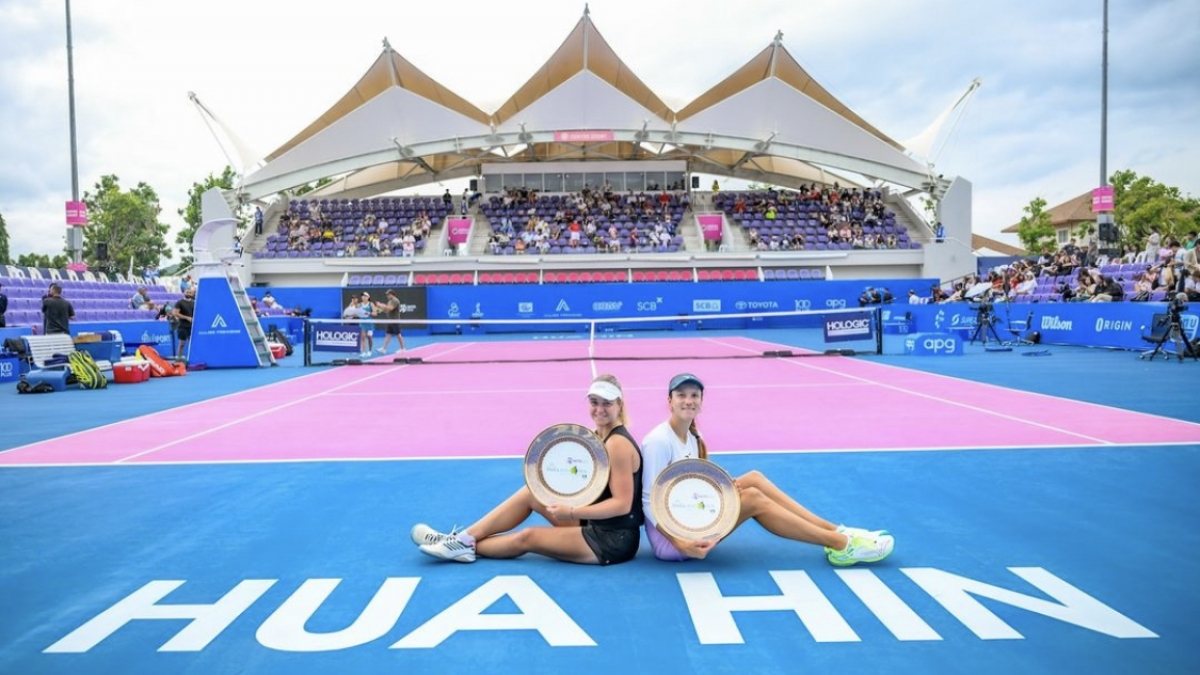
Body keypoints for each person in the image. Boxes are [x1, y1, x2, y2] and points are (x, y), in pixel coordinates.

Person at [640, 373, 894, 566]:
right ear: (669, 401)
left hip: (693, 518)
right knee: (753, 500)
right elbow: (648, 501)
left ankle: (835, 529)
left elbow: (692, 485)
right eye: (681, 395)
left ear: (701, 402)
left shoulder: (694, 437)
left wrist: (723, 487)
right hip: (674, 540)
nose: (688, 400)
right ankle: (842, 545)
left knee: (753, 478)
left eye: (694, 395)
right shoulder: (658, 441)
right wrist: (680, 543)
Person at [413, 374, 643, 565]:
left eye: (607, 403)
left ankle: (460, 544)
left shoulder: (617, 444)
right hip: (596, 524)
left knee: (528, 537)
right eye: (594, 402)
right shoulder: (596, 438)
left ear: (620, 405)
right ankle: (461, 540)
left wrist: (571, 512)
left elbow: (622, 504)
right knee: (532, 493)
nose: (599, 409)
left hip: (613, 540)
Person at [375, 289, 406, 355]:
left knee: (398, 335)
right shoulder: (390, 301)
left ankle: (403, 349)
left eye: (388, 294)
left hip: (395, 320)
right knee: (388, 334)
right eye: (386, 294)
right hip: (390, 320)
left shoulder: (395, 300)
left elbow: (390, 308)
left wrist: (381, 305)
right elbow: (386, 310)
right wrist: (381, 308)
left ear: (392, 294)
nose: (387, 296)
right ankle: (384, 348)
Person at [173, 287, 196, 358]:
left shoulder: (194, 302)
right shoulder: (179, 302)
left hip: (192, 326)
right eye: (187, 292)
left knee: (192, 344)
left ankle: (193, 358)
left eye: (190, 292)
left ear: (192, 294)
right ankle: (179, 359)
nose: (188, 294)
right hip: (182, 326)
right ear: (184, 292)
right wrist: (187, 318)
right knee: (182, 343)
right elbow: (175, 313)